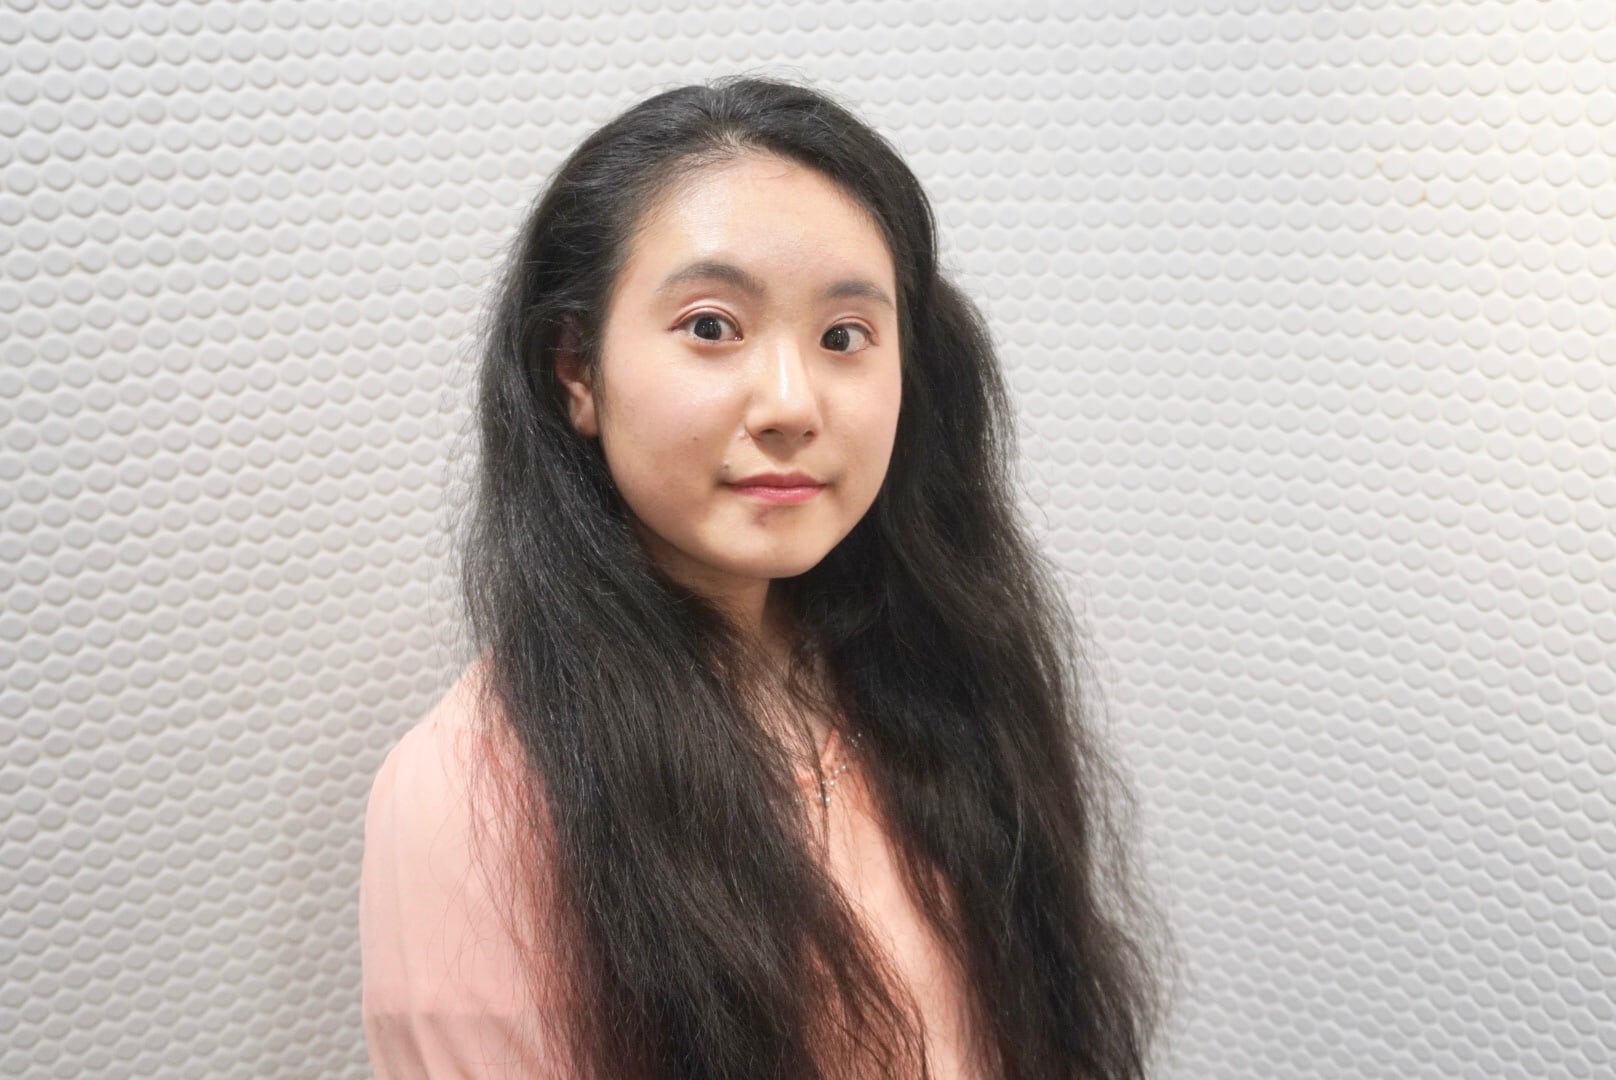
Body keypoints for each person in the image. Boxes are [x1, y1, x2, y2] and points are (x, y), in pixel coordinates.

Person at [359, 74, 1174, 1079]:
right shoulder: (467, 796)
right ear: (576, 369)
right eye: (712, 327)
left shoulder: (940, 669)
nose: (791, 404)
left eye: (843, 337)